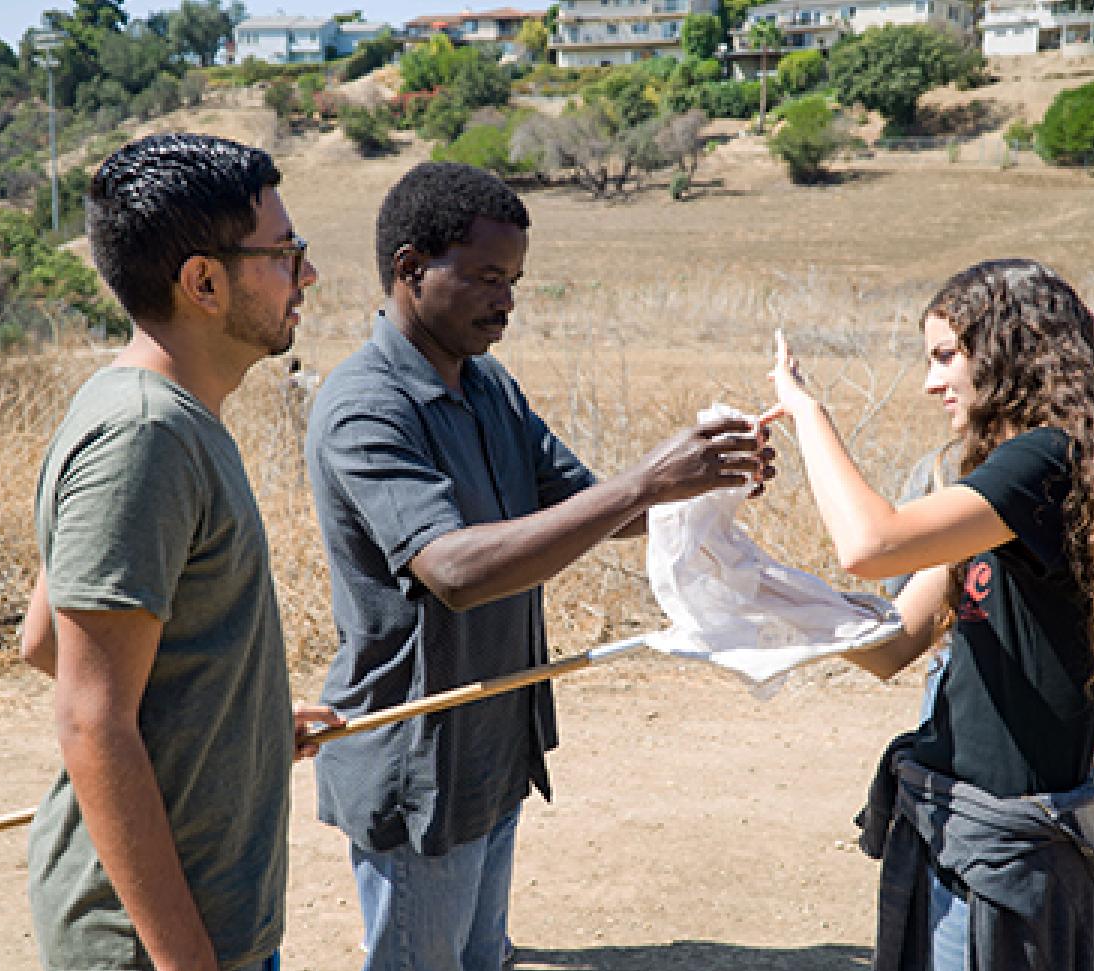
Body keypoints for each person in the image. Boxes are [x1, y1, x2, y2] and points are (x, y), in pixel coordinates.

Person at [304, 161, 774, 971]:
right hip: (418, 755)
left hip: (490, 742)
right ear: (411, 269)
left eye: (514, 279)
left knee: (482, 958)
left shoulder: (489, 387)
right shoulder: (365, 404)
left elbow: (591, 509)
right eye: (488, 277)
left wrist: (701, 483)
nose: (508, 300)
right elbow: (453, 570)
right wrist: (649, 479)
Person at [761, 258, 1094, 971]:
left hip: (1006, 859)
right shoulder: (1007, 487)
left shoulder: (1048, 461)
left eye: (945, 356)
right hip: (964, 841)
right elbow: (893, 643)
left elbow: (871, 543)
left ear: (1008, 351)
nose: (931, 382)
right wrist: (769, 594)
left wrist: (807, 413)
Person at [20, 132, 342, 971]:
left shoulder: (156, 410)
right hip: (156, 944)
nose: (306, 275)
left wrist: (245, 725)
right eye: (285, 252)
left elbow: (47, 638)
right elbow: (91, 717)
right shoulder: (144, 435)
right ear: (203, 281)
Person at [886, 440, 1094, 971]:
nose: (934, 383)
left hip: (1007, 730)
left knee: (985, 915)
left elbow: (888, 581)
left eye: (949, 356)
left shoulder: (959, 466)